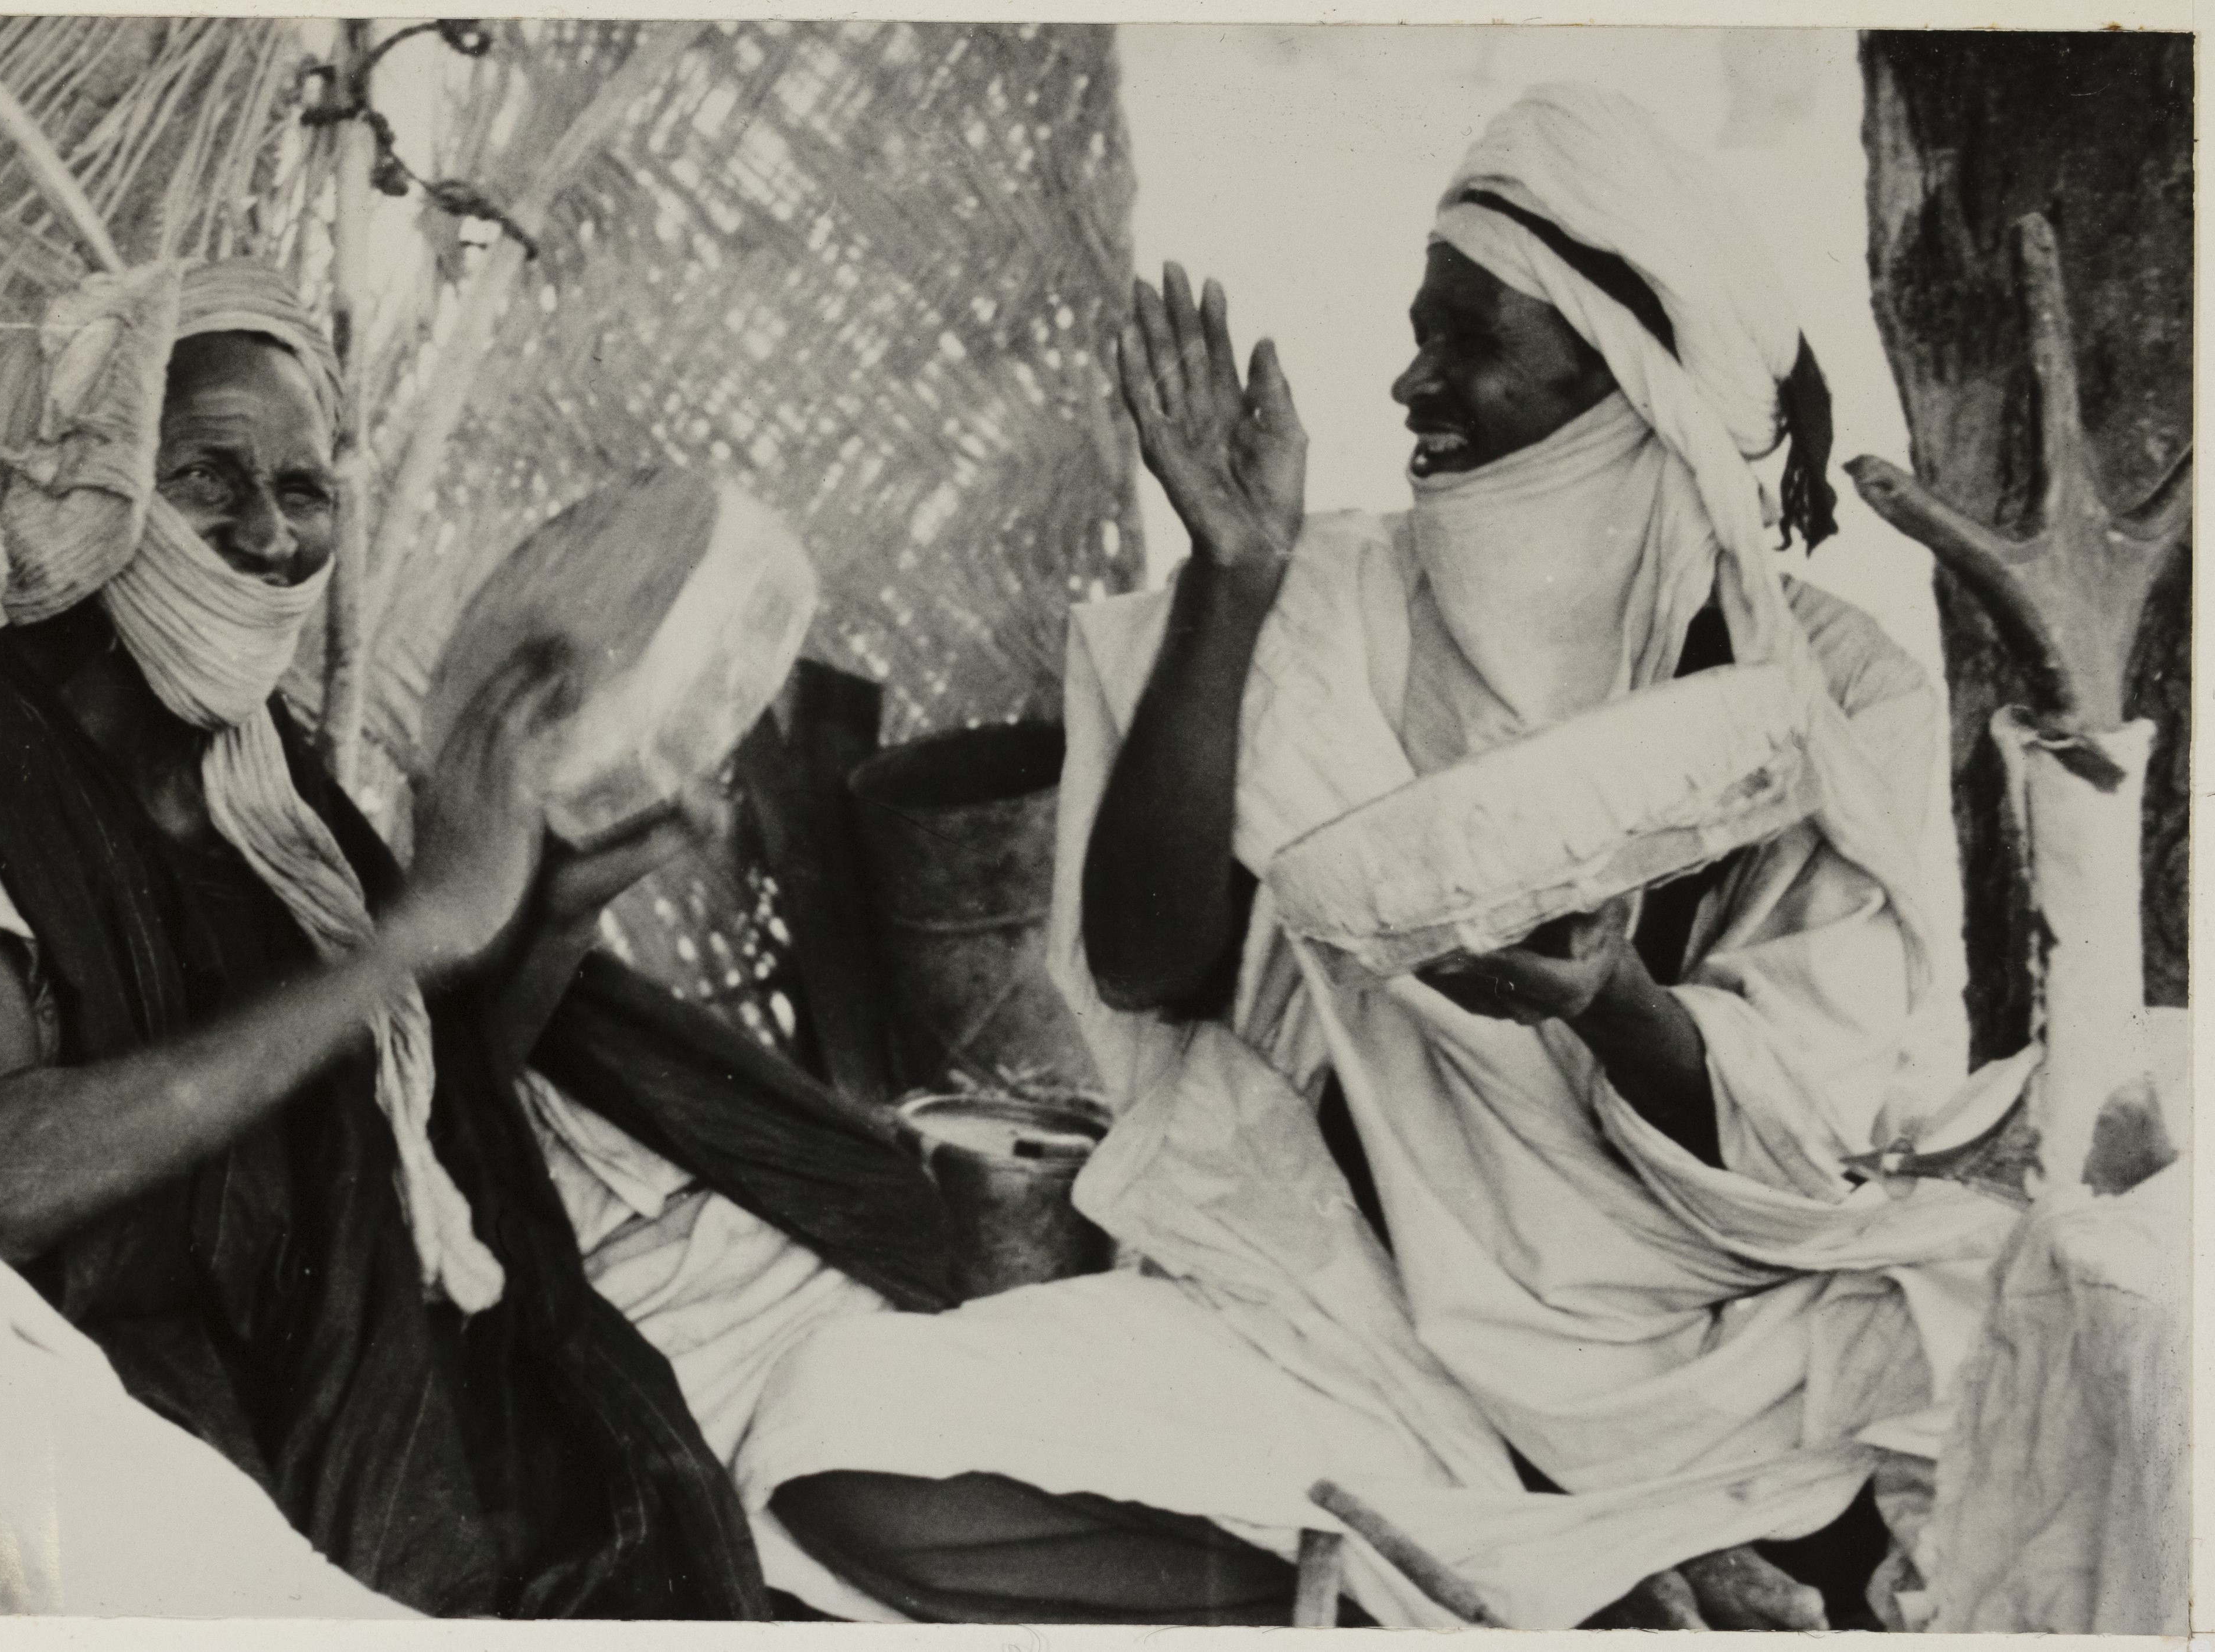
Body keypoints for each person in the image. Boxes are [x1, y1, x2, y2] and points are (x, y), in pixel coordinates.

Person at [742, 83, 2020, 1629]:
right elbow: (1149, 965)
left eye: (1470, 336)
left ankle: (1517, 1571)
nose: (1414, 377)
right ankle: (1503, 1595)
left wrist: (1607, 998)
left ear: (1628, 373)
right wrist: (1235, 576)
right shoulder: (1332, 603)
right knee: (842, 1437)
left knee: (1992, 1389)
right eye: (1423, 328)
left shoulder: (1834, 684)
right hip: (1364, 1334)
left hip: (1727, 1360)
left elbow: (1821, 1139)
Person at [0, 258, 925, 1616]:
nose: (271, 537)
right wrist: (402, 939)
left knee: (825, 1280)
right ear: (82, 492)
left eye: (303, 491)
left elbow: (420, 1111)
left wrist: (560, 904)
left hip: (327, 1366)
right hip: (98, 1395)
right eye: (209, 481)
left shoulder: (262, 794)